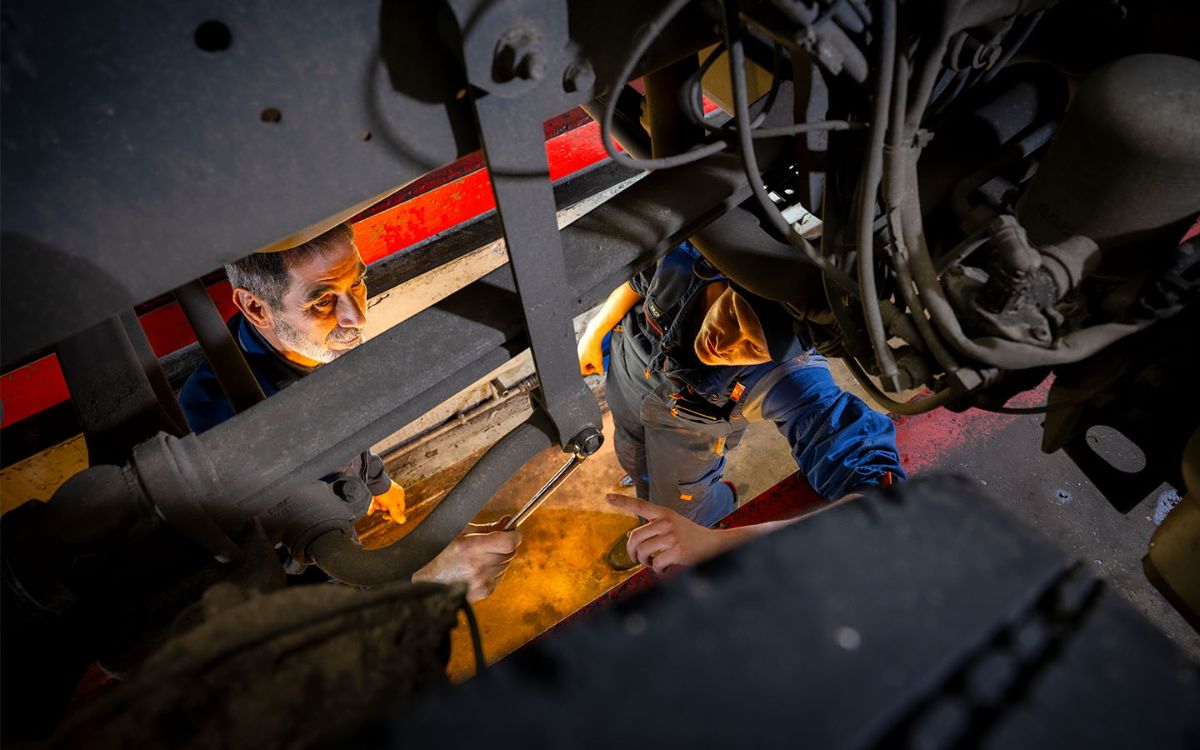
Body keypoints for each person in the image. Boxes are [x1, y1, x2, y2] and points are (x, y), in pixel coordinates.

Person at [179, 223, 519, 601]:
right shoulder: (215, 425)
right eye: (323, 301)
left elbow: (348, 434)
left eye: (357, 283)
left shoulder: (309, 345)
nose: (356, 318)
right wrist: (420, 580)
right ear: (257, 308)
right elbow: (281, 592)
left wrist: (377, 481)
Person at [577, 243, 905, 571]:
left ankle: (715, 509)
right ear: (732, 276)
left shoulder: (789, 373)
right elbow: (638, 282)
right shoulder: (697, 256)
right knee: (634, 462)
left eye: (751, 346)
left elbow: (877, 495)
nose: (721, 343)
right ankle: (648, 521)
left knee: (681, 509)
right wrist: (597, 329)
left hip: (685, 445)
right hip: (629, 395)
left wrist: (714, 542)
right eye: (733, 315)